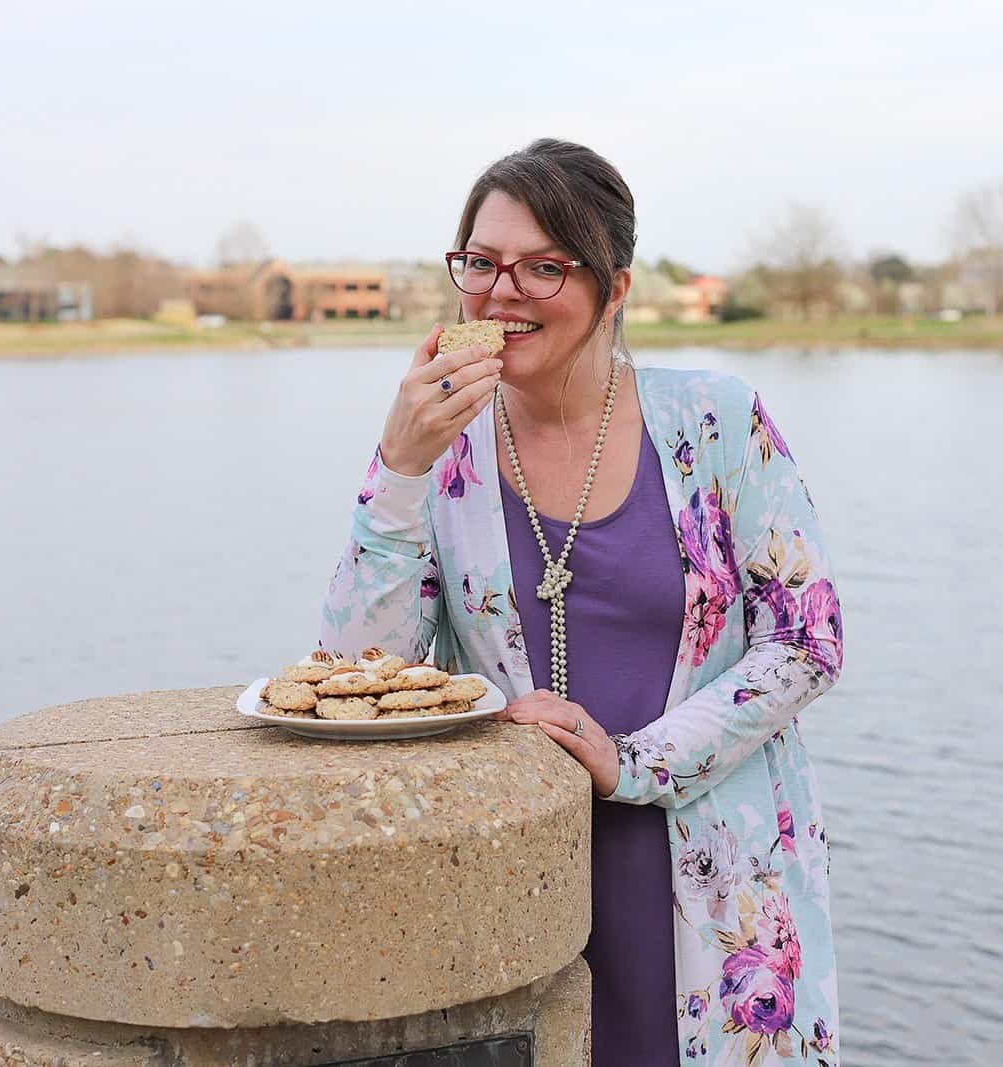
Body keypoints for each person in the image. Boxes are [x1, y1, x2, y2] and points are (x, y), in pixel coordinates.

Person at [320, 138, 843, 1066]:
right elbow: (362, 680)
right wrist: (396, 469)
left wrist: (632, 760)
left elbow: (807, 640)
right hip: (513, 886)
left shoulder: (718, 419)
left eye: (543, 267)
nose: (500, 292)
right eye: (480, 262)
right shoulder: (445, 454)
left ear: (617, 286)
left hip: (719, 888)